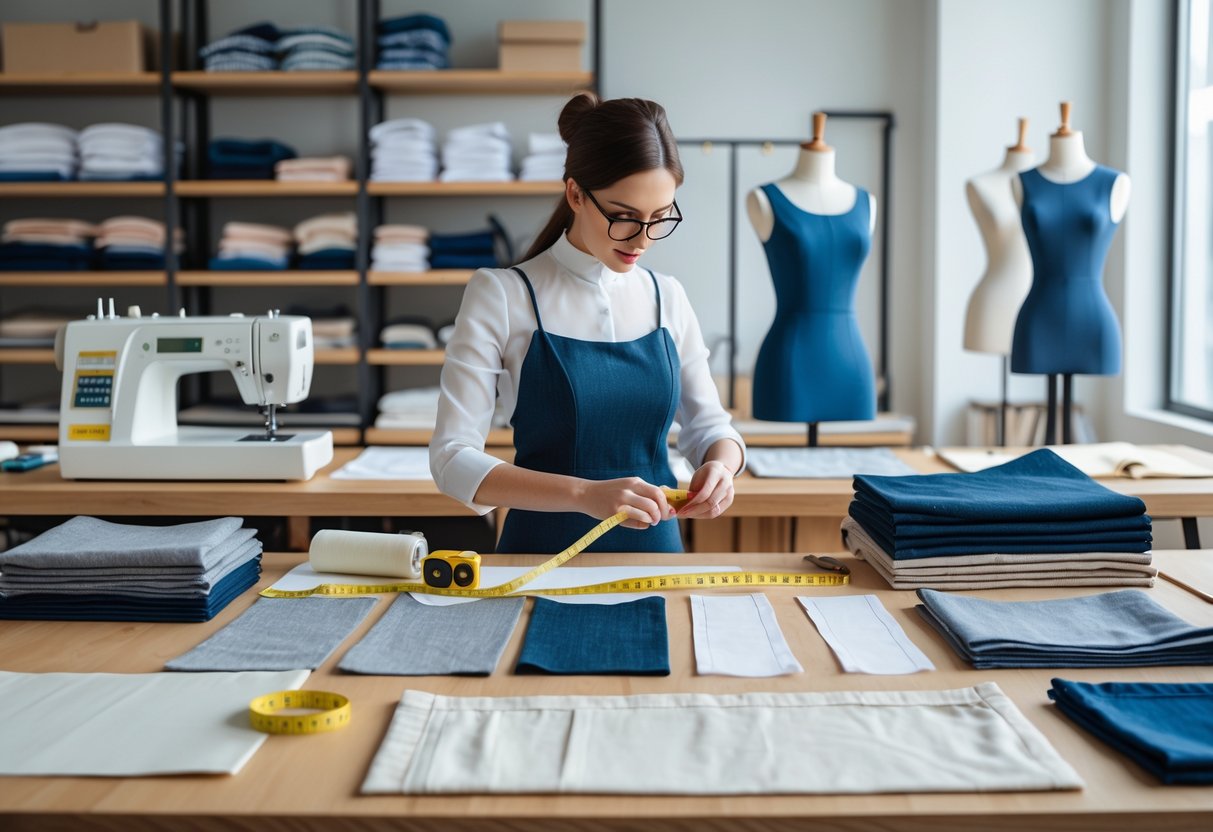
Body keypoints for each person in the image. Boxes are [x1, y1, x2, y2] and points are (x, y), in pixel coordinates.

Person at [430, 92, 746, 554]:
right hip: (540, 556)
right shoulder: (502, 294)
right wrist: (584, 495)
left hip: (655, 558)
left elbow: (710, 427)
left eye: (659, 219)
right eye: (624, 218)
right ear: (575, 193)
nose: (642, 239)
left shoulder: (667, 296)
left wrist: (722, 466)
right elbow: (451, 460)